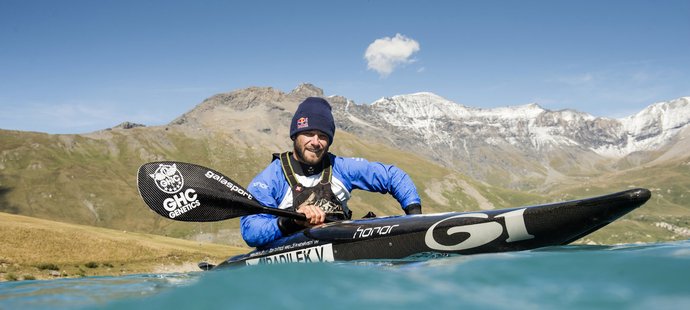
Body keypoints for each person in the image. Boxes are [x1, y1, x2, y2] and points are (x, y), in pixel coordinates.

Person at [241, 97, 422, 248]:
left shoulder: (341, 167)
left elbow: (394, 176)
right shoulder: (270, 178)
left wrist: (415, 218)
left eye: (323, 136)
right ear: (295, 135)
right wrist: (291, 221)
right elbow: (251, 231)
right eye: (308, 133)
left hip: (338, 256)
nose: (315, 142)